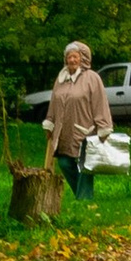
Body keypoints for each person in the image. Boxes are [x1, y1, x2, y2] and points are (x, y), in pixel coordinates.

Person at [43, 42, 112, 202]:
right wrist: (49, 122)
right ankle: (81, 195)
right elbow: (54, 102)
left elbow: (100, 102)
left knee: (85, 165)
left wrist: (103, 127)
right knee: (65, 163)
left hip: (86, 130)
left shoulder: (92, 78)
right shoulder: (61, 79)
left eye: (75, 56)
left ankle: (84, 200)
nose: (72, 60)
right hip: (64, 130)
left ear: (83, 58)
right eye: (69, 57)